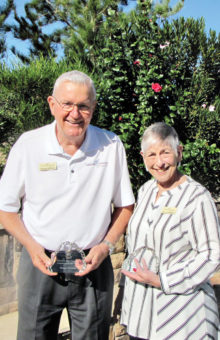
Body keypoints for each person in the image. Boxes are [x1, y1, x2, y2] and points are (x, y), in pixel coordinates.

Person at [0, 70, 135, 340]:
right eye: (68, 104)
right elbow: (6, 210)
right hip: (40, 264)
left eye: (84, 106)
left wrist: (106, 246)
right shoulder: (29, 146)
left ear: (93, 108)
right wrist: (31, 246)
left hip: (93, 266)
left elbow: (125, 207)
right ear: (52, 104)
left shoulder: (111, 145)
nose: (75, 113)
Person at [121, 122, 220, 339]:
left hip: (182, 316)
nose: (159, 163)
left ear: (179, 152)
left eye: (165, 153)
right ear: (143, 156)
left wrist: (163, 280)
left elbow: (212, 255)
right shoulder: (145, 190)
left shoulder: (197, 197)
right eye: (152, 155)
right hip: (141, 315)